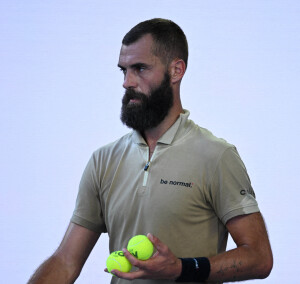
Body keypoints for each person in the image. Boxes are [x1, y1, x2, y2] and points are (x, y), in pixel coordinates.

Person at [28, 18, 273, 284]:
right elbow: (65, 261)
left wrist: (182, 268)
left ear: (176, 70)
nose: (127, 82)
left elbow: (259, 258)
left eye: (140, 69)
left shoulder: (216, 156)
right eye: (124, 70)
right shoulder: (103, 161)